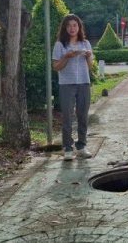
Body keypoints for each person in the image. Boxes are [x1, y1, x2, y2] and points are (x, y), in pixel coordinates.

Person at [52, 14, 93, 161]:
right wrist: (66, 57)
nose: (72, 28)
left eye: (75, 25)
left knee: (83, 115)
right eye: (69, 25)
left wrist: (88, 56)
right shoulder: (60, 45)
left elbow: (90, 67)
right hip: (66, 84)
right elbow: (56, 67)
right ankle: (68, 148)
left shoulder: (86, 44)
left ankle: (81, 146)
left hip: (83, 82)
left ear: (79, 27)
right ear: (65, 28)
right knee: (67, 116)